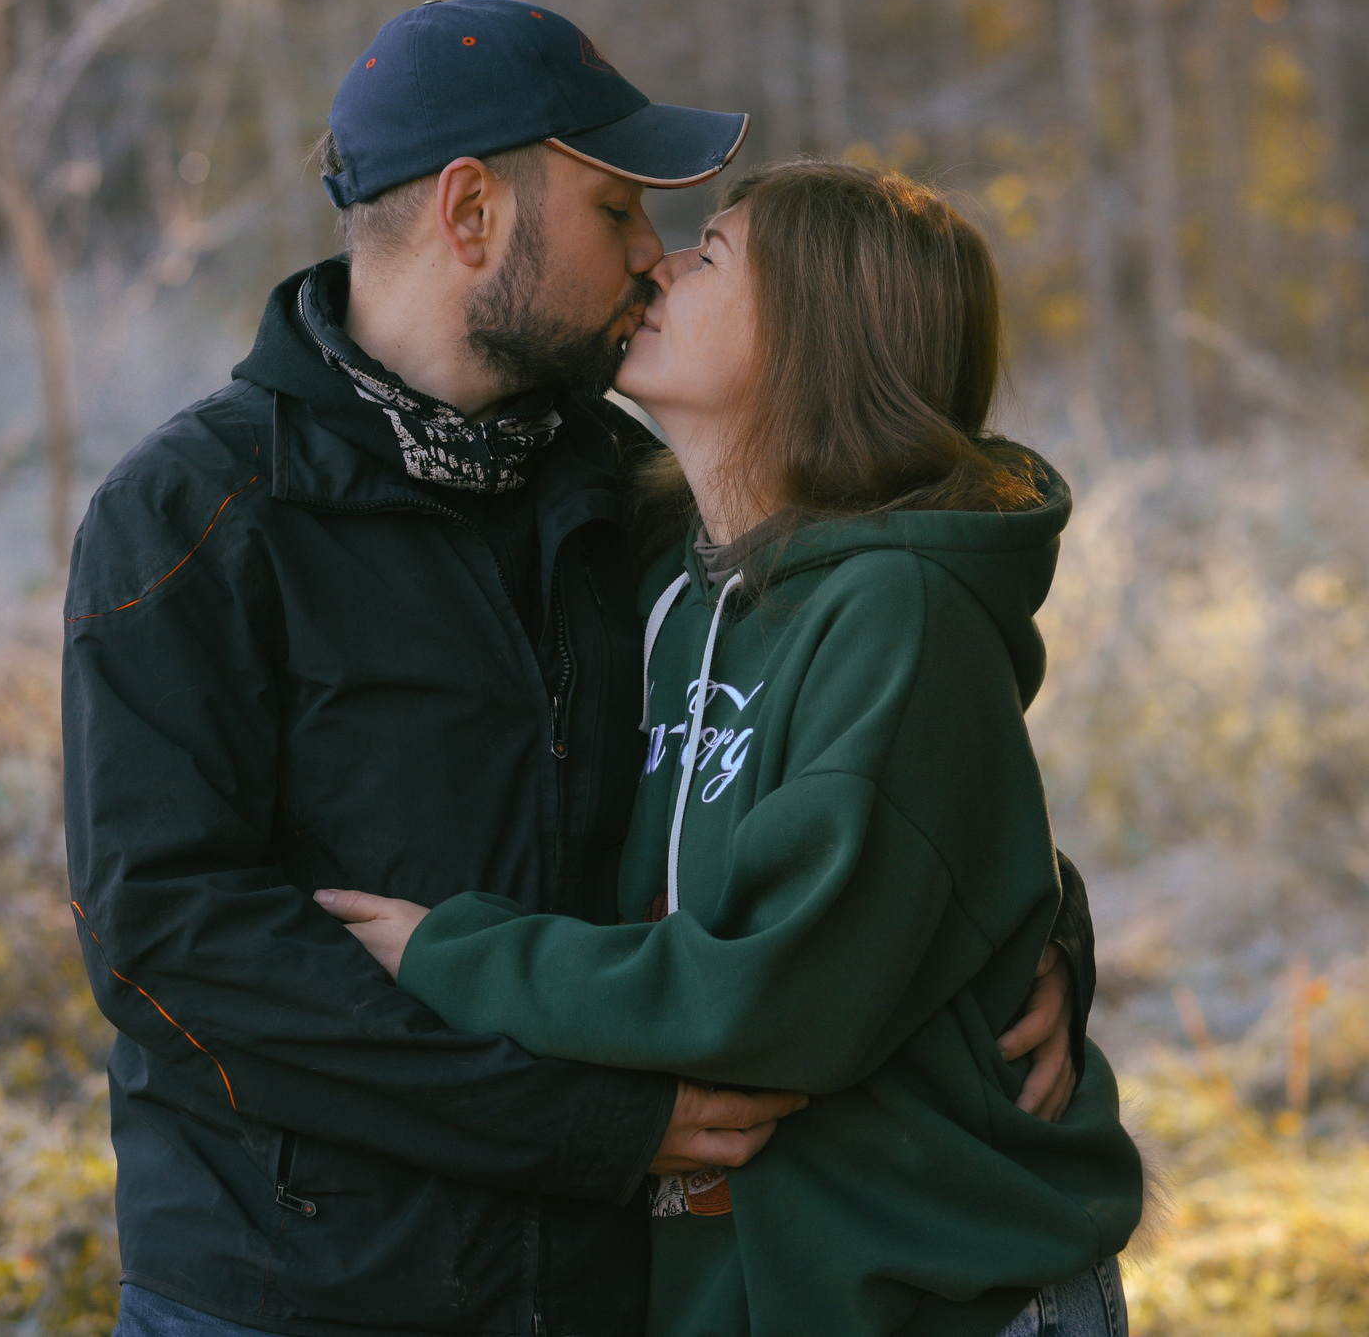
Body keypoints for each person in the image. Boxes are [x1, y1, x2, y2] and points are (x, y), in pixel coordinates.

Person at [63, 0, 1096, 1337]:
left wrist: (1034, 930)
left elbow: (861, 773)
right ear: (471, 212)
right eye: (615, 210)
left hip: (598, 1292)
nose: (651, 253)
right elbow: (170, 938)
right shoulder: (194, 516)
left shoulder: (640, 497)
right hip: (294, 1291)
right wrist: (585, 1121)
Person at [317, 161, 1145, 1337]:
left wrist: (455, 956)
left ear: (817, 333)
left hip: (946, 1293)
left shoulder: (898, 610)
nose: (655, 263)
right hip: (741, 1287)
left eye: (710, 254)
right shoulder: (663, 580)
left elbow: (779, 991)